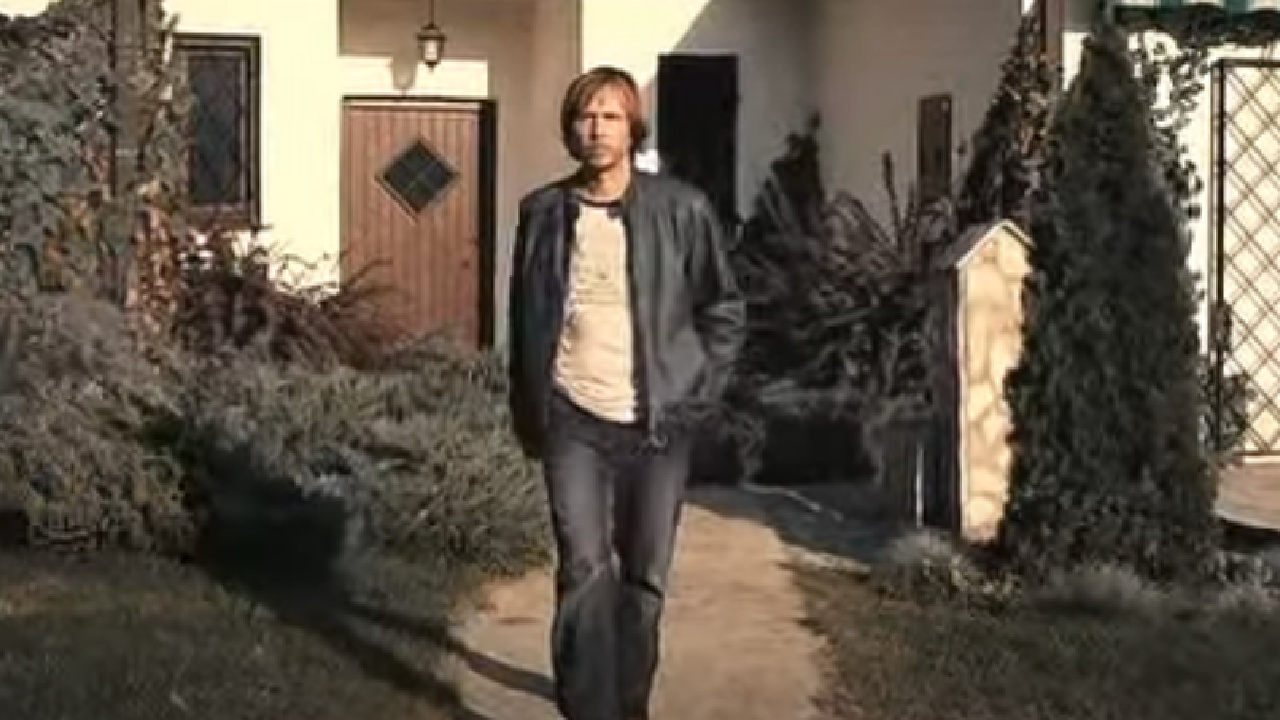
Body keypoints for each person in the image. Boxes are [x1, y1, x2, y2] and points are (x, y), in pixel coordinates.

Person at [506, 66, 745, 720]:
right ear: (570, 128)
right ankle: (588, 708)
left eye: (611, 116)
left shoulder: (682, 208)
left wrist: (700, 389)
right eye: (586, 115)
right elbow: (524, 319)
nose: (597, 128)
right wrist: (529, 409)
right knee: (584, 567)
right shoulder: (542, 212)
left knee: (644, 576)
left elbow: (723, 307)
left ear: (633, 128)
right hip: (572, 419)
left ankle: (629, 702)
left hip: (658, 425)